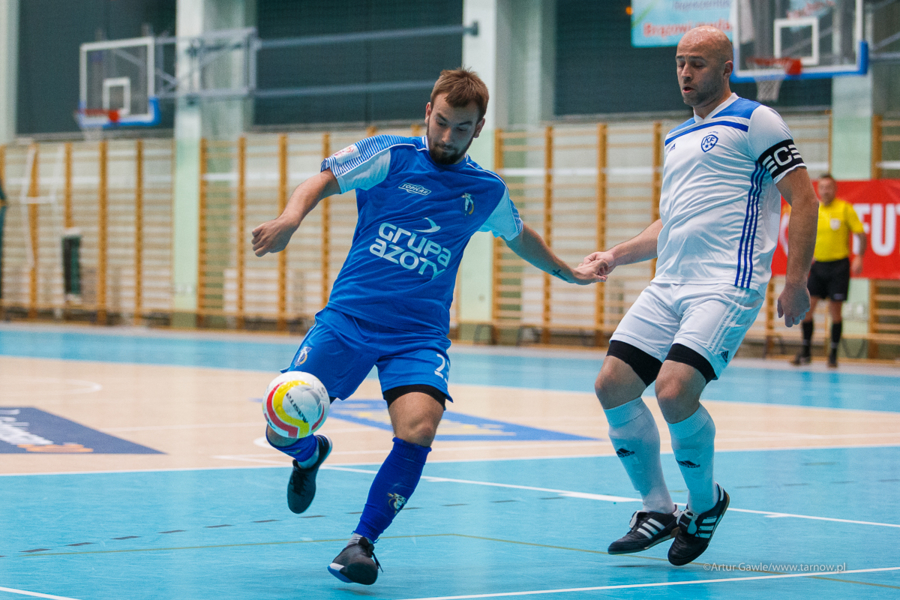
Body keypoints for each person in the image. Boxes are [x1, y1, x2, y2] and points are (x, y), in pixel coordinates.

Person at [251, 68, 602, 586]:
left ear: (478, 129)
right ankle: (307, 455)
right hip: (348, 320)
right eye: (440, 123)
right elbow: (322, 180)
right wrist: (289, 219)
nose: (446, 137)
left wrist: (569, 271)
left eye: (461, 128)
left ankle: (360, 544)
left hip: (418, 337)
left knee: (418, 429)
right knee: (282, 423)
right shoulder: (391, 156)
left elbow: (519, 234)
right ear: (427, 114)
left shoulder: (485, 190)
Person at [580, 27, 818, 566]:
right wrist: (615, 255)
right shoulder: (677, 137)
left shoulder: (757, 120)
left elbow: (803, 200)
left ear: (726, 68)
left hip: (725, 285)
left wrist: (796, 281)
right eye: (681, 64)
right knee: (613, 384)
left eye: (699, 64)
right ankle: (658, 510)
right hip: (669, 284)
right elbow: (670, 223)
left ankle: (705, 505)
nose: (686, 73)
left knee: (673, 390)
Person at [791, 173, 866, 368]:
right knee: (807, 309)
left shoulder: (845, 209)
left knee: (836, 312)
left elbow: (860, 234)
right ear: (818, 189)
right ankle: (806, 352)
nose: (825, 190)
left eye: (829, 187)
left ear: (835, 189)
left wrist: (859, 257)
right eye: (822, 187)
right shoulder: (814, 209)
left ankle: (833, 354)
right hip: (818, 267)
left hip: (839, 267)